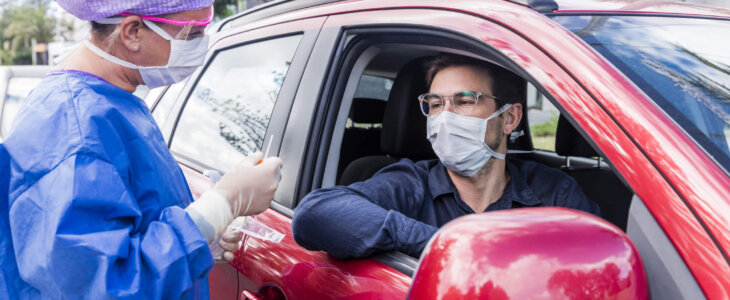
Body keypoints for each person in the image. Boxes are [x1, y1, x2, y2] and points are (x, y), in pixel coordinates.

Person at [0, 1, 282, 299]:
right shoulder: (74, 129)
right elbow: (100, 288)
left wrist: (200, 233)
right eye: (190, 36)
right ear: (132, 31)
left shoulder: (112, 100)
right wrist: (222, 206)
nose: (201, 46)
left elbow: (129, 224)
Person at [292, 54, 600, 259]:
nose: (445, 117)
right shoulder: (411, 182)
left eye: (465, 101)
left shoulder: (554, 192)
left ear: (510, 118)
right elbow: (314, 213)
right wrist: (443, 243)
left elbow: (597, 263)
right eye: (436, 104)